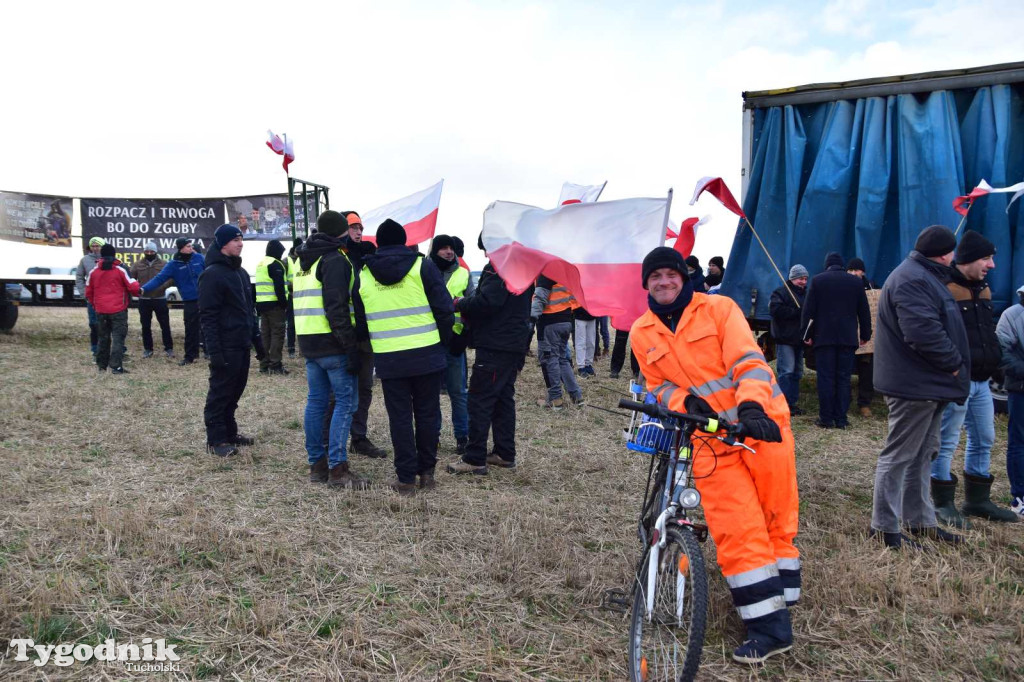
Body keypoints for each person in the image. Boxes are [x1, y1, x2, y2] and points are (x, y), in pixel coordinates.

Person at [630, 246, 800, 665]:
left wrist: (753, 407)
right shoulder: (641, 332)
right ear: (646, 283)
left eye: (671, 274)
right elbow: (657, 385)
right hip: (708, 441)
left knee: (776, 517)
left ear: (684, 277)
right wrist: (685, 403)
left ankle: (784, 596)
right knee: (736, 528)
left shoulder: (719, 309)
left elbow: (749, 361)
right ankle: (768, 627)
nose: (664, 282)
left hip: (762, 426)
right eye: (655, 277)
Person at [870, 225, 969, 549]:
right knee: (899, 456)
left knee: (921, 455)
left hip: (925, 383)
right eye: (951, 252)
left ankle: (920, 521)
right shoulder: (913, 279)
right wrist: (954, 363)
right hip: (914, 385)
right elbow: (922, 332)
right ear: (943, 254)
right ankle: (884, 528)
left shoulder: (922, 276)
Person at [354, 219, 454, 496]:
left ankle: (406, 479)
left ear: (378, 243)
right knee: (428, 415)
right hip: (427, 354)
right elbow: (445, 309)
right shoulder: (423, 266)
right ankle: (427, 474)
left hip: (389, 358)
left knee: (399, 419)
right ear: (403, 241)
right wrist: (442, 342)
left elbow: (360, 322)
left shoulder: (364, 273)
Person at [932, 231, 1017, 525]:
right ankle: (941, 503)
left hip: (981, 381)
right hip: (957, 380)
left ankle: (977, 501)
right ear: (968, 259)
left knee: (985, 438)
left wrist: (996, 362)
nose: (992, 265)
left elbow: (986, 331)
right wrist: (953, 368)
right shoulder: (945, 288)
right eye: (986, 258)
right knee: (947, 439)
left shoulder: (984, 289)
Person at [448, 234, 535, 475]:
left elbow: (487, 303)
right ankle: (504, 453)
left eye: (487, 249)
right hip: (512, 344)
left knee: (480, 399)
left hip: (496, 345)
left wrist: (460, 303)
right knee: (503, 399)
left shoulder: (499, 267)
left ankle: (474, 458)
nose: (487, 255)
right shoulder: (521, 267)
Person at [294, 211, 366, 488]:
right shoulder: (335, 259)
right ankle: (338, 469)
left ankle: (317, 466)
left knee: (316, 403)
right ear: (341, 232)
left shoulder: (303, 260)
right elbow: (336, 307)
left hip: (309, 341)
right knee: (345, 404)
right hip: (333, 343)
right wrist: (350, 346)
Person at [198, 225, 266, 457]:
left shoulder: (241, 273)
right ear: (222, 244)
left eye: (241, 239)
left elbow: (249, 311)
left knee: (235, 391)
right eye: (236, 240)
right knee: (220, 393)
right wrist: (214, 351)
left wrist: (258, 342)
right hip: (225, 346)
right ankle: (216, 440)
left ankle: (229, 432)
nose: (240, 243)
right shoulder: (212, 274)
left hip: (241, 344)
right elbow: (208, 317)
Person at [800, 252, 871, 429]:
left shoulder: (818, 281)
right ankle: (841, 419)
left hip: (824, 338)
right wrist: (865, 335)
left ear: (827, 265)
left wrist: (806, 334)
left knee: (826, 377)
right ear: (842, 265)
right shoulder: (856, 282)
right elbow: (864, 311)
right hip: (847, 339)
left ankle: (826, 418)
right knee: (843, 378)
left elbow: (808, 311)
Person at [341, 211, 388, 459]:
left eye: (360, 227)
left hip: (366, 333)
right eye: (353, 227)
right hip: (343, 336)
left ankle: (358, 438)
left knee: (365, 387)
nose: (358, 232)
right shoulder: (337, 257)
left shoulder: (368, 256)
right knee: (340, 391)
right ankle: (334, 442)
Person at [429, 234, 473, 453]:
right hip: (430, 342)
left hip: (455, 343)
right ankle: (432, 437)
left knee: (458, 393)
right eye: (444, 248)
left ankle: (462, 437)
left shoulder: (463, 273)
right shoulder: (424, 272)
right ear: (435, 250)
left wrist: (464, 337)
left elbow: (473, 307)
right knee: (430, 395)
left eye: (451, 248)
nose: (449, 251)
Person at [141, 237, 205, 365]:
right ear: (181, 248)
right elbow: (159, 279)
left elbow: (210, 271)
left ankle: (211, 353)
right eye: (188, 246)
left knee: (209, 326)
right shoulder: (173, 265)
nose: (191, 248)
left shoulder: (199, 258)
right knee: (190, 329)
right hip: (190, 301)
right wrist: (144, 288)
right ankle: (190, 356)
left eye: (191, 246)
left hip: (205, 298)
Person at [85, 244, 141, 374]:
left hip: (101, 311)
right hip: (118, 310)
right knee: (118, 338)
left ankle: (101, 365)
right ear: (114, 254)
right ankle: (116, 367)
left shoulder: (94, 272)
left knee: (103, 337)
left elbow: (88, 292)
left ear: (101, 255)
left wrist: (96, 305)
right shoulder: (120, 270)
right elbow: (133, 286)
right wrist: (138, 288)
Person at [532, 276, 583, 408]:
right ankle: (576, 396)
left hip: (549, 322)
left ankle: (555, 399)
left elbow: (540, 297)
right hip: (566, 320)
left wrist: (531, 319)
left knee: (550, 360)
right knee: (562, 359)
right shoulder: (564, 272)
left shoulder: (546, 272)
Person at [996, 284, 1024, 519]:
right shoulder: (1012, 315)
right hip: (1021, 389)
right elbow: (1003, 352)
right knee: (1020, 441)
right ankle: (1020, 497)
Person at [770, 265, 808, 415]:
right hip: (785, 338)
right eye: (800, 279)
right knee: (786, 371)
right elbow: (775, 310)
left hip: (799, 339)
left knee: (797, 372)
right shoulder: (780, 292)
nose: (803, 282)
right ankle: (783, 403)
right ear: (792, 278)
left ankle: (792, 402)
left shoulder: (806, 294)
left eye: (805, 279)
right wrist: (796, 312)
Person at [130, 241, 174, 359]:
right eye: (147, 251)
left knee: (165, 325)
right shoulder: (137, 264)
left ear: (156, 252)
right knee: (145, 326)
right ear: (144, 252)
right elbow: (131, 279)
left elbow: (171, 278)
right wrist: (137, 288)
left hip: (160, 299)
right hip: (144, 300)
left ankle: (169, 348)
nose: (149, 253)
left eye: (152, 251)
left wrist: (163, 287)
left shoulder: (164, 264)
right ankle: (148, 349)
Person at [846, 257, 877, 417]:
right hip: (849, 335)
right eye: (850, 270)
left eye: (855, 270)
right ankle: (846, 401)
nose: (852, 273)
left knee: (866, 371)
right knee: (845, 370)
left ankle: (864, 403)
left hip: (866, 339)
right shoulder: (843, 285)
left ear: (862, 272)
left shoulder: (871, 287)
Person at [254, 239, 290, 374]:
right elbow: (279, 287)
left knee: (265, 335)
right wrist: (284, 304)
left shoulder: (261, 264)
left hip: (262, 304)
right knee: (277, 334)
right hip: (275, 305)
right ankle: (275, 364)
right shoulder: (275, 264)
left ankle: (264, 364)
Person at [77, 237, 104, 355]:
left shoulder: (108, 259)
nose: (95, 248)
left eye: (98, 246)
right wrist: (84, 293)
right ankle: (95, 349)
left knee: (108, 324)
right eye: (93, 246)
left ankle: (109, 348)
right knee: (93, 324)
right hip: (92, 298)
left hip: (107, 298)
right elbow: (79, 277)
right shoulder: (85, 260)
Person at [285, 238, 302, 358]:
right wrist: (291, 285)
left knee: (303, 323)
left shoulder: (305, 259)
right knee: (291, 324)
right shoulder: (286, 261)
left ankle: (303, 350)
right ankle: (291, 349)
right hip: (291, 296)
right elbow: (282, 279)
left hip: (303, 296)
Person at [573, 305, 597, 377]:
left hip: (592, 316)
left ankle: (588, 364)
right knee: (581, 343)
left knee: (591, 342)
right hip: (579, 316)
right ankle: (581, 367)